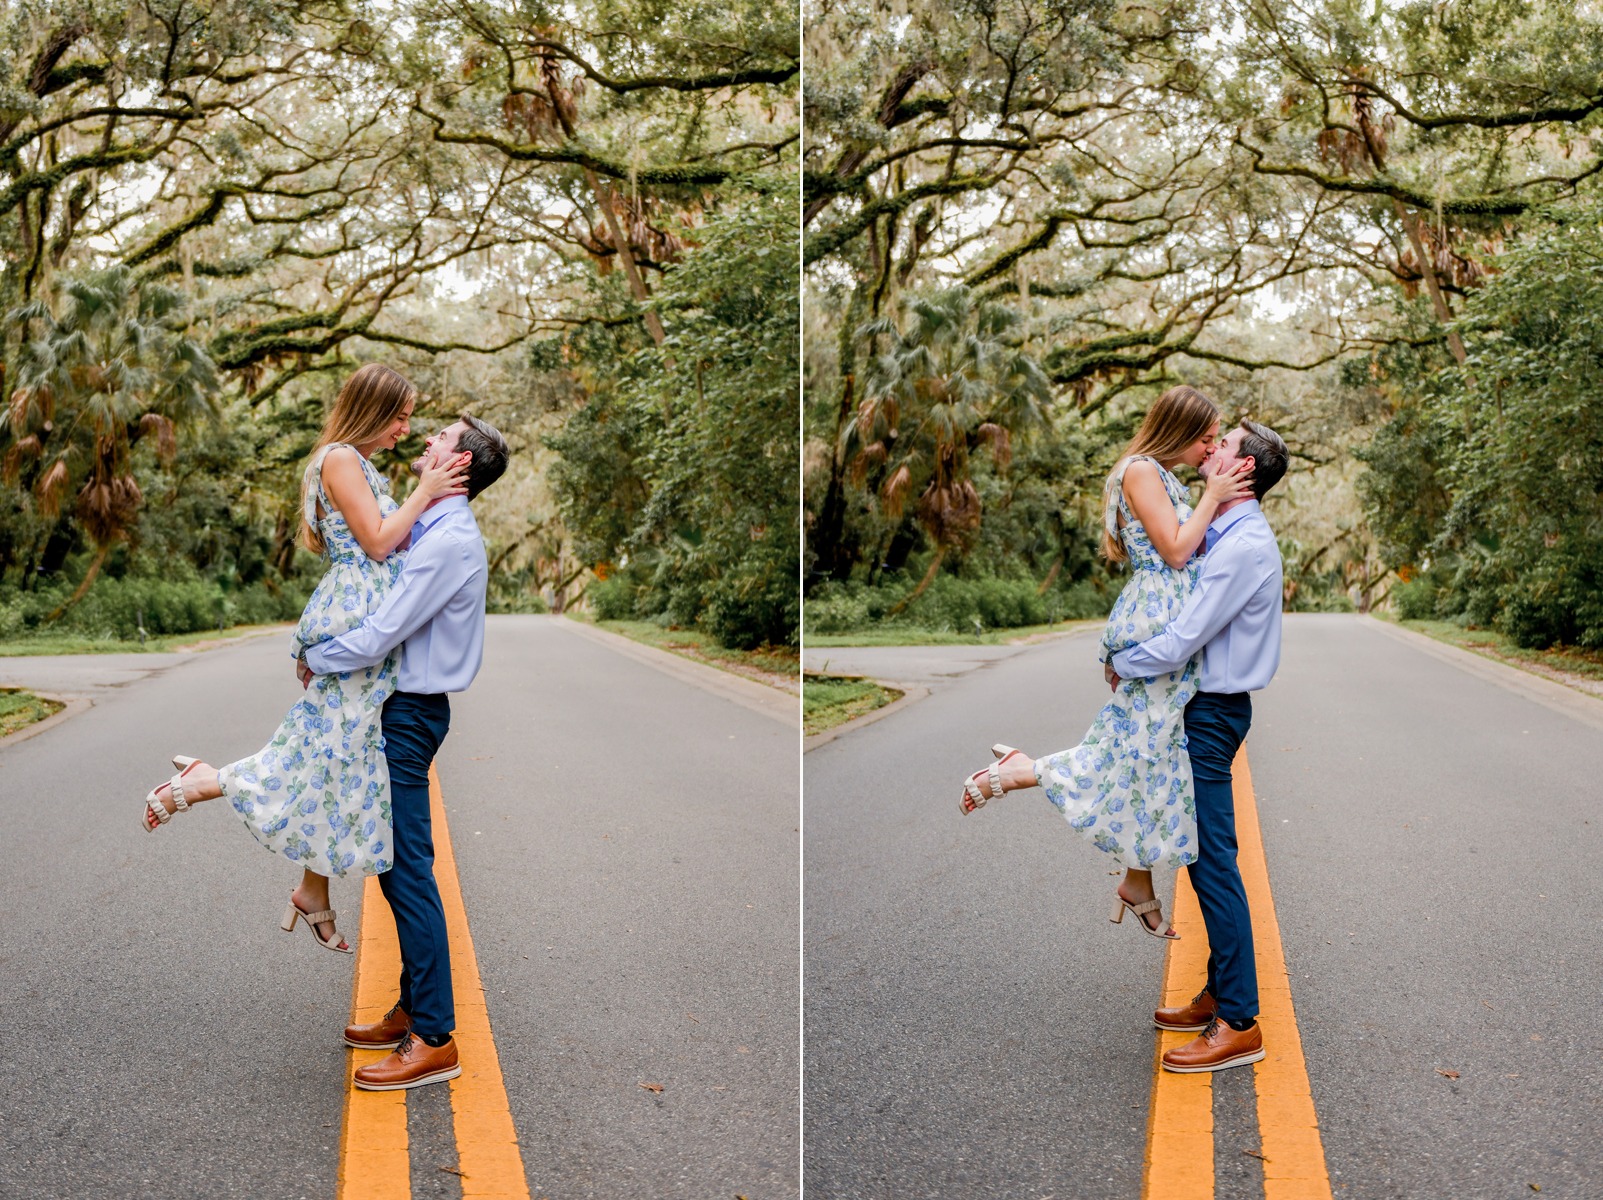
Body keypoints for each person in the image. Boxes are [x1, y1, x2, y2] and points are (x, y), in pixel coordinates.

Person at [139, 363, 471, 957]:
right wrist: (425, 492)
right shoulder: (341, 457)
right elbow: (376, 541)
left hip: (367, 614)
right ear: (371, 409)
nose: (406, 428)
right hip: (359, 615)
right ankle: (201, 784)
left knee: (340, 752)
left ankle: (312, 887)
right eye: (399, 415)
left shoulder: (357, 462)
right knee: (323, 748)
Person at [958, 385, 1254, 941]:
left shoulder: (1158, 474)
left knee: (1152, 748)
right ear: (1179, 432)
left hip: (1169, 620)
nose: (1209, 452)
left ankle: (1138, 882)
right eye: (1205, 440)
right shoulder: (1141, 469)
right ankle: (1018, 772)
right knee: (1141, 746)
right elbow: (1175, 550)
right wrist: (1213, 495)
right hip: (1161, 621)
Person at [304, 412, 510, 1092]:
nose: (427, 440)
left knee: (406, 872)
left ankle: (434, 1037)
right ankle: (412, 1007)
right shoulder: (429, 525)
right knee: (395, 868)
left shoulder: (449, 541)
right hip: (399, 706)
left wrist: (316, 656)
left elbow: (383, 630)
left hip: (411, 712)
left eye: (442, 440)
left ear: (460, 467)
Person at [1107, 418, 1288, 1073]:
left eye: (1225, 447)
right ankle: (1219, 990)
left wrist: (1122, 662)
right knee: (1200, 858)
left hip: (1210, 713)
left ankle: (1239, 1021)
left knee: (1211, 863)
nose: (1211, 451)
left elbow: (1184, 636)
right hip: (1198, 707)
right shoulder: (1224, 530)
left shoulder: (1243, 547)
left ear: (1242, 472)